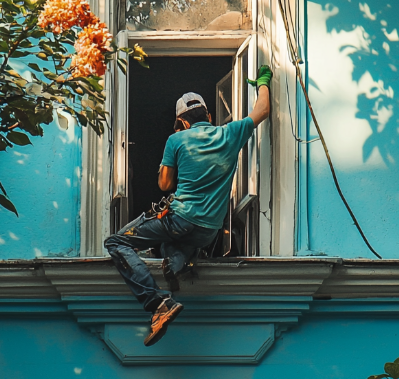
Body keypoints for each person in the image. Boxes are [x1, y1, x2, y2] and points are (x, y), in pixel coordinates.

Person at [104, 65, 273, 346]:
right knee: (175, 244)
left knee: (117, 242)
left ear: (182, 122)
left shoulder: (176, 139)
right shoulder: (229, 133)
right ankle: (176, 263)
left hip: (179, 219)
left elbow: (165, 185)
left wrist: (165, 165)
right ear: (208, 115)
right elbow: (263, 110)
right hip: (208, 230)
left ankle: (158, 303)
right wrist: (263, 82)